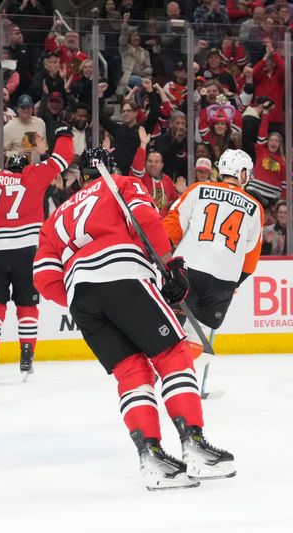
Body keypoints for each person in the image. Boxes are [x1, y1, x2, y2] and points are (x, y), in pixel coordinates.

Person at [33, 147, 236, 491]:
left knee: (131, 372)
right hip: (122, 275)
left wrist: (82, 296)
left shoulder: (54, 219)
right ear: (110, 168)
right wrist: (171, 264)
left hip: (82, 298)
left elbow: (43, 275)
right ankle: (194, 446)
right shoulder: (122, 183)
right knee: (173, 354)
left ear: (81, 177)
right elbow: (145, 219)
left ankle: (152, 458)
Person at [0, 123, 73, 379]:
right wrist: (63, 132)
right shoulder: (32, 175)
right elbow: (62, 158)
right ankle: (27, 357)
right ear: (22, 168)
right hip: (25, 253)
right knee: (27, 307)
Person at [163, 149, 263, 374]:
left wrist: (161, 252)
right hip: (223, 283)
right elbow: (250, 258)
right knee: (196, 336)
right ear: (242, 173)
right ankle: (185, 375)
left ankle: (170, 374)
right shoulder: (255, 207)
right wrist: (236, 283)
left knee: (170, 327)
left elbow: (173, 223)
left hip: (188, 272)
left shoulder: (199, 189)